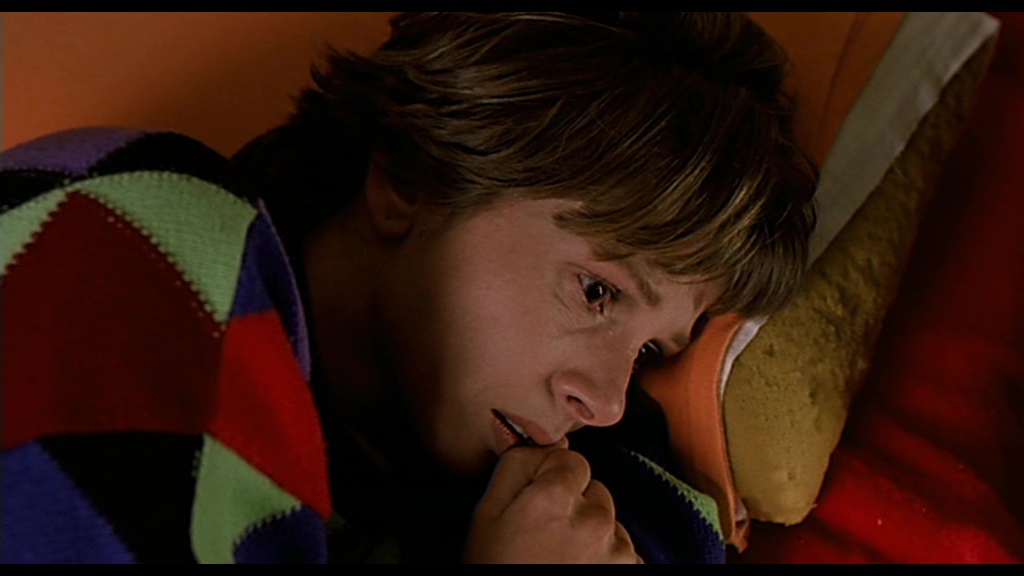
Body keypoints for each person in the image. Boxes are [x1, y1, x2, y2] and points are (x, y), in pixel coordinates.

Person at [0, 12, 816, 564]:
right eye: (596, 293)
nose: (603, 400)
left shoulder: (510, 488)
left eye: (649, 353)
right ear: (412, 180)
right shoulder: (130, 227)